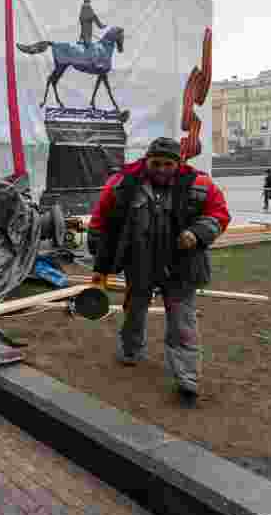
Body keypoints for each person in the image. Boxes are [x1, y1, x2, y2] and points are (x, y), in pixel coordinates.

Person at [87, 137, 231, 408]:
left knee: (182, 321)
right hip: (138, 263)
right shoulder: (122, 183)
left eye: (168, 164)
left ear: (179, 163)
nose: (162, 169)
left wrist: (197, 233)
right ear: (146, 160)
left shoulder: (201, 184)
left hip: (181, 267)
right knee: (134, 310)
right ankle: (130, 351)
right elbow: (100, 220)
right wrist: (100, 262)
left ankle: (187, 378)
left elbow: (220, 213)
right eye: (156, 163)